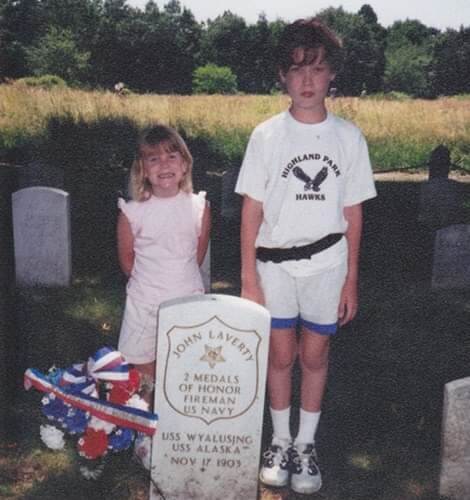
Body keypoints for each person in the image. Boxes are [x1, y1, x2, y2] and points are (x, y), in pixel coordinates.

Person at [235, 18, 376, 494]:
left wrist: (351, 279)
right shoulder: (267, 137)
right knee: (280, 354)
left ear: (332, 73)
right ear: (282, 76)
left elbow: (352, 213)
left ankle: (306, 445)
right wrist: (248, 278)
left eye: (317, 69)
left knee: (314, 354)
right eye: (297, 71)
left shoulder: (348, 138)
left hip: (327, 265)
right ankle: (279, 441)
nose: (308, 81)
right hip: (274, 265)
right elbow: (251, 208)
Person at [117, 125, 211, 402]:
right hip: (144, 301)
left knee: (183, 365)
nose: (164, 165)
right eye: (153, 159)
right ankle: (144, 427)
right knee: (144, 366)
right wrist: (150, 287)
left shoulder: (199, 208)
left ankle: (177, 429)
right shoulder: (131, 212)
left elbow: (197, 255)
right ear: (143, 170)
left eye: (172, 157)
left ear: (185, 165)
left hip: (186, 300)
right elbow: (127, 261)